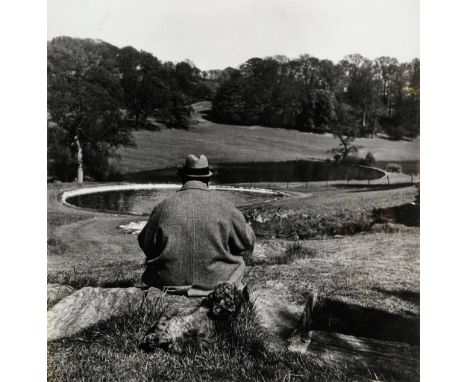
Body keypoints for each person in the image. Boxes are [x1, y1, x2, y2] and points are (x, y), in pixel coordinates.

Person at [138, 154, 255, 297]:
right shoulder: (225, 206)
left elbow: (145, 243)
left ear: (183, 178)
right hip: (217, 282)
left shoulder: (163, 207)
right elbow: (247, 242)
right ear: (208, 179)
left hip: (168, 282)